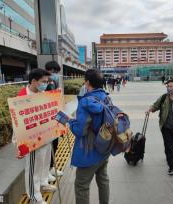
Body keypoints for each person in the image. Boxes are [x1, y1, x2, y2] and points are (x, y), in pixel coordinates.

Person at [66, 69, 110, 204]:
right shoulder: (106, 97)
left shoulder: (85, 102)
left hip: (88, 150)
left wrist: (70, 121)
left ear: (88, 82)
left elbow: (80, 131)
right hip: (104, 146)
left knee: (81, 185)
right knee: (103, 179)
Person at [15, 69, 56, 204]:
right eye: (43, 82)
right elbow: (17, 123)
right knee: (33, 167)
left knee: (44, 162)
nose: (46, 84)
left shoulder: (43, 94)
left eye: (47, 81)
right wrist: (19, 145)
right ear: (33, 81)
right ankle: (33, 194)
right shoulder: (21, 97)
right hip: (31, 140)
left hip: (45, 135)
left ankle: (43, 182)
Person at [146, 79, 173, 175]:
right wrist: (149, 109)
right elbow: (156, 105)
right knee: (168, 146)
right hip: (165, 126)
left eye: (171, 86)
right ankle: (171, 166)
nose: (169, 88)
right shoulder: (164, 98)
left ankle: (168, 153)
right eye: (168, 86)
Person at [45, 61, 64, 181]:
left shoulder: (53, 82)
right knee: (48, 146)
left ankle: (51, 167)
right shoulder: (43, 82)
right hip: (46, 120)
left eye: (56, 72)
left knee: (55, 143)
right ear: (49, 70)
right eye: (54, 72)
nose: (55, 74)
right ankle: (46, 171)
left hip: (55, 117)